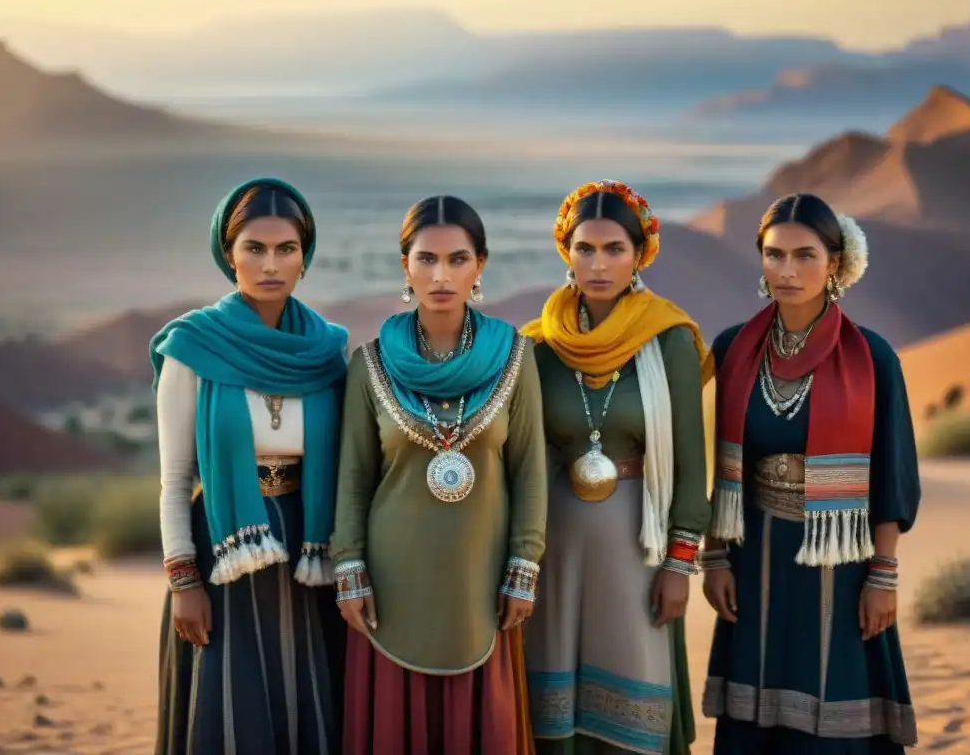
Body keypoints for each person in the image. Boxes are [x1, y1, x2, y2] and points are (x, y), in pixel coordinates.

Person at [701, 192, 920, 754]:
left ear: (835, 263)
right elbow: (716, 462)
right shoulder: (732, 349)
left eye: (805, 255)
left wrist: (884, 575)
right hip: (753, 559)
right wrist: (716, 558)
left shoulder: (873, 358)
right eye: (774, 255)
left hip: (840, 567)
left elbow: (891, 476)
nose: (788, 270)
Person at [330, 195, 548, 754]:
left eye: (457, 259)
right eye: (426, 259)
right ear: (405, 265)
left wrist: (524, 566)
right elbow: (353, 478)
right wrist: (350, 568)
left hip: (480, 582)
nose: (441, 274)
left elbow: (528, 471)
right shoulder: (370, 363)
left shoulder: (516, 357)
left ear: (481, 265)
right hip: (392, 583)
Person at [152, 178, 349, 755]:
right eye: (254, 249)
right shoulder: (191, 348)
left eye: (285, 249)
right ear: (228, 255)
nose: (270, 264)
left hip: (310, 552)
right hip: (223, 552)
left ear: (304, 257)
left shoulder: (326, 349)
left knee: (308, 698)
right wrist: (183, 581)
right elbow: (174, 479)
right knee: (233, 709)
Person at [521, 179, 715, 755]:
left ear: (640, 255)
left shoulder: (669, 340)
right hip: (555, 547)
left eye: (614, 249)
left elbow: (687, 458)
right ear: (566, 251)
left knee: (635, 692)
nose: (598, 263)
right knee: (553, 700)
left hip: (640, 546)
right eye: (585, 248)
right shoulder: (539, 347)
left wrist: (681, 565)